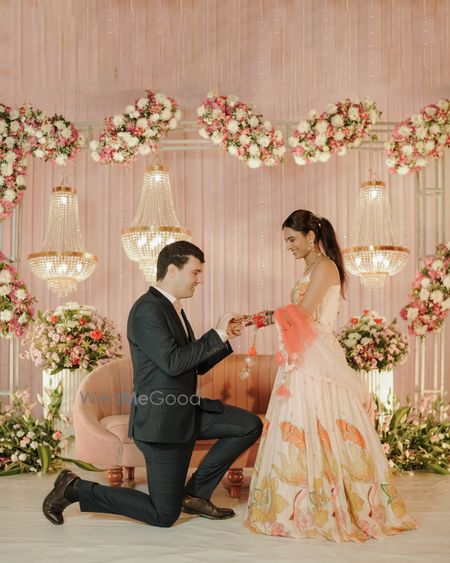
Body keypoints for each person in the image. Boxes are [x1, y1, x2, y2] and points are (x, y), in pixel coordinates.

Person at [43, 241, 263, 527]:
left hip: (184, 411)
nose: (199, 280)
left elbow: (193, 365)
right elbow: (172, 362)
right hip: (162, 423)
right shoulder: (147, 309)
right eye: (195, 272)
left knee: (248, 425)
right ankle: (74, 489)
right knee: (164, 515)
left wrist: (224, 337)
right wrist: (216, 333)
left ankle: (194, 495)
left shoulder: (173, 309)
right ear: (172, 270)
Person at [243, 210, 417, 542]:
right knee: (301, 421)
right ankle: (299, 502)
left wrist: (262, 318)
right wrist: (258, 319)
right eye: (286, 241)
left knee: (325, 422)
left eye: (292, 239)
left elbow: (304, 313)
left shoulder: (325, 267)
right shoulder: (311, 268)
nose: (288, 246)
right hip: (303, 351)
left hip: (317, 353)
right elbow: (297, 315)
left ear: (311, 237)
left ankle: (332, 505)